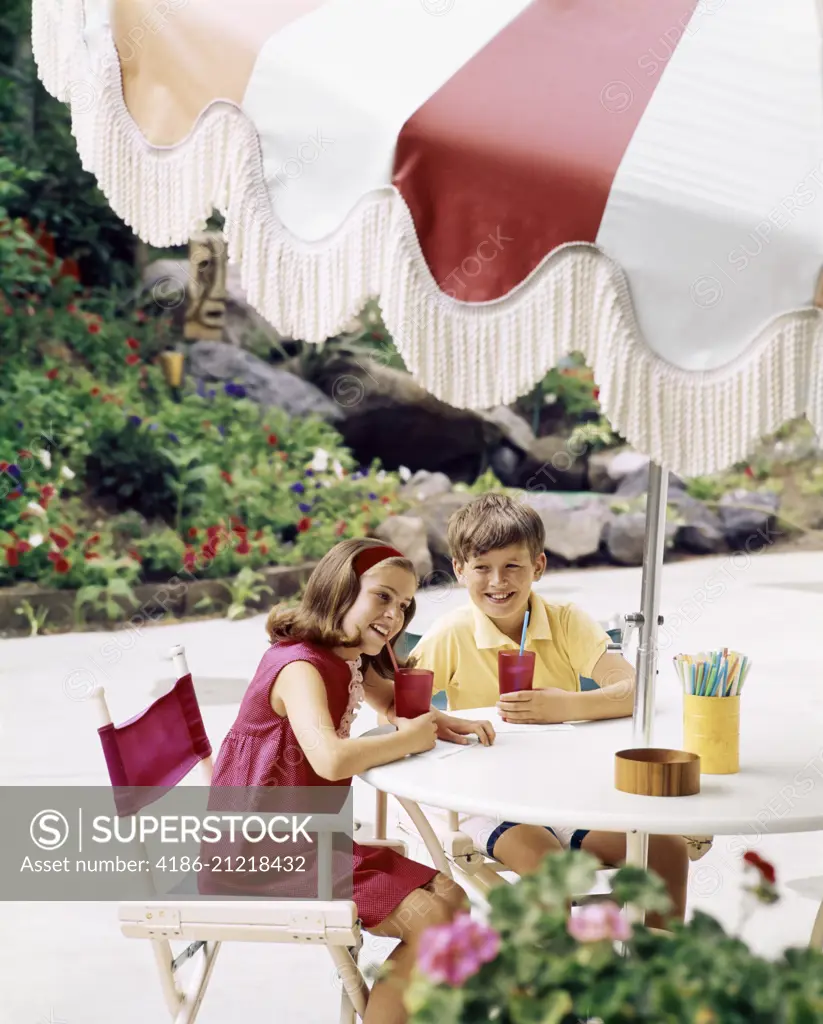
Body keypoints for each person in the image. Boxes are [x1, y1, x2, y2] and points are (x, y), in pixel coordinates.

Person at [204, 538, 494, 1024]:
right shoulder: (300, 667)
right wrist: (410, 740)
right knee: (433, 921)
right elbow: (332, 760)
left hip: (308, 839)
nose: (395, 615)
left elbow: (388, 700)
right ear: (340, 591)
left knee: (453, 900)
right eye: (382, 597)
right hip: (260, 852)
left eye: (404, 605)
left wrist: (444, 723)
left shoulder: (342, 653)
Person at [409, 493, 689, 929]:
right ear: (460, 570)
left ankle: (656, 978)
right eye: (482, 567)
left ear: (538, 567)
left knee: (664, 849)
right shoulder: (451, 634)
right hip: (486, 801)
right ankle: (563, 988)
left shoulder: (565, 621)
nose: (497, 581)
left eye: (513, 566)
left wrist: (566, 705)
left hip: (563, 796)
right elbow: (403, 708)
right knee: (550, 868)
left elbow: (635, 690)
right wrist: (453, 724)